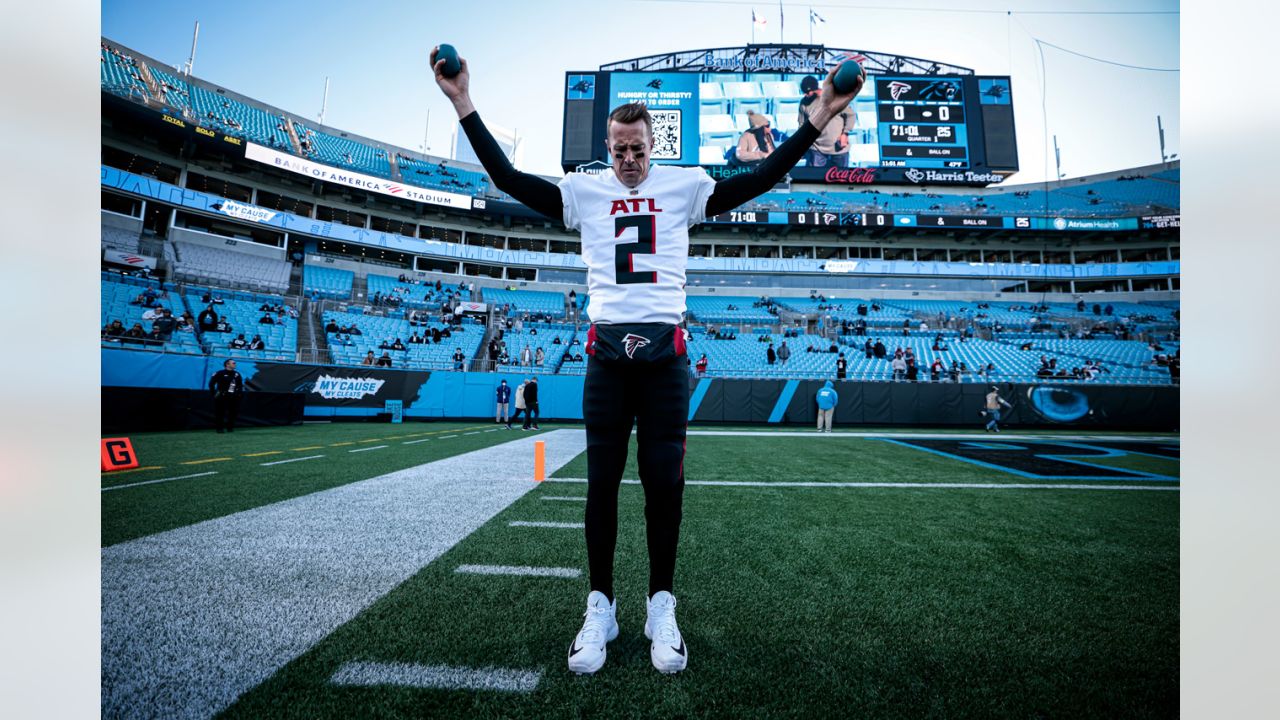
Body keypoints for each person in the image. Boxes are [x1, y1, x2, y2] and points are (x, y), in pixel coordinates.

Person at [432, 45, 862, 676]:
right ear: (607, 147)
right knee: (601, 484)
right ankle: (600, 604)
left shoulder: (683, 185)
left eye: (637, 149)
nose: (628, 160)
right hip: (607, 355)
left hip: (665, 357)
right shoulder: (584, 193)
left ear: (650, 144)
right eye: (618, 149)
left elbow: (760, 179)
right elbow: (507, 179)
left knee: (665, 485)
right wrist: (463, 102)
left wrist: (816, 118)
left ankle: (661, 603)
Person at [797, 74, 856, 167]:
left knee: (840, 180)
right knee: (814, 180)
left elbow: (850, 115)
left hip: (838, 149)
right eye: (803, 92)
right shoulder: (804, 102)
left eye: (807, 92)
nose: (805, 95)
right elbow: (802, 125)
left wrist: (845, 133)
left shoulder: (833, 97)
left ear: (815, 89)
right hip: (816, 149)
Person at [208, 359, 244, 434]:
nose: (235, 364)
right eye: (233, 363)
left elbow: (240, 385)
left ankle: (230, 428)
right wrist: (213, 394)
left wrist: (238, 393)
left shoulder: (237, 374)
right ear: (227, 364)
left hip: (233, 396)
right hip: (222, 396)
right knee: (220, 413)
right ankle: (219, 428)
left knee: (232, 413)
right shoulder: (219, 373)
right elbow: (211, 383)